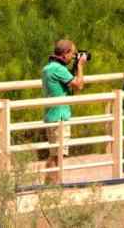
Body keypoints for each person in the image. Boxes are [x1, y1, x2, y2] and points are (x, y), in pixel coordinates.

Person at [41, 39, 86, 182]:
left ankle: (50, 183)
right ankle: (54, 184)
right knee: (58, 154)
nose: (74, 57)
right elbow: (78, 85)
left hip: (51, 114)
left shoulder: (49, 67)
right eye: (73, 54)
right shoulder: (58, 69)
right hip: (59, 116)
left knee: (55, 153)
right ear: (65, 53)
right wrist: (80, 66)